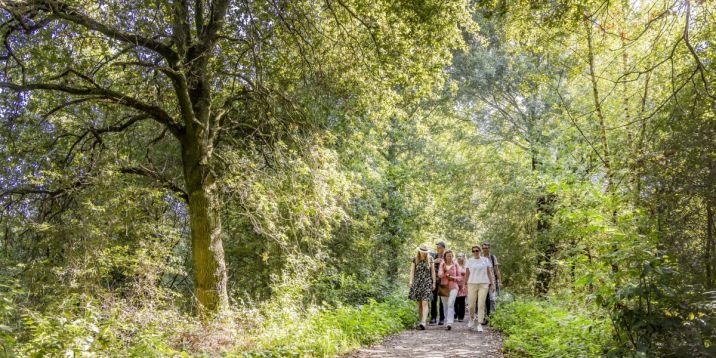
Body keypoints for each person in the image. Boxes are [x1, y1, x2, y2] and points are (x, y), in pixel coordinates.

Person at [465, 245, 495, 332]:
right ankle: (471, 318)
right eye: (473, 251)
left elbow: (489, 273)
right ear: (472, 252)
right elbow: (467, 273)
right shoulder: (469, 261)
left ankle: (479, 323)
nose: (475, 252)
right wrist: (465, 284)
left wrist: (492, 284)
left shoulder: (485, 260)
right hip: (472, 283)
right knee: (471, 305)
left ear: (480, 251)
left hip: (484, 283)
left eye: (477, 250)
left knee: (481, 304)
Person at [409, 244, 436, 330]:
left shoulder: (430, 259)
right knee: (419, 303)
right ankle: (420, 321)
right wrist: (410, 281)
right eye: (422, 252)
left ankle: (423, 322)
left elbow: (433, 272)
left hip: (427, 282)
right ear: (419, 251)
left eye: (425, 252)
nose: (423, 253)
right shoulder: (415, 259)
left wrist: (434, 282)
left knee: (425, 302)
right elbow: (412, 271)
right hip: (417, 283)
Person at [438, 250, 461, 330]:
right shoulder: (442, 264)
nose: (449, 257)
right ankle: (446, 320)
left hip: (453, 286)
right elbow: (440, 275)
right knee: (445, 305)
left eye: (451, 256)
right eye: (448, 256)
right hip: (444, 286)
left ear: (452, 256)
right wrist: (445, 274)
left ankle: (449, 323)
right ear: (445, 257)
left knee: (450, 304)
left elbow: (460, 277)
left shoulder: (455, 264)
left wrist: (452, 277)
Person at [481, 242, 502, 323]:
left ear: (489, 248)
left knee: (492, 299)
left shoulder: (493, 257)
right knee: (484, 300)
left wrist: (499, 281)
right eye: (483, 248)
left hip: (492, 281)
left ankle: (493, 317)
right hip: (482, 282)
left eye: (486, 248)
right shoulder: (480, 257)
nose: (485, 249)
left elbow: (497, 270)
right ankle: (485, 318)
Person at [429, 241, 446, 325]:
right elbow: (427, 264)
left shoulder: (447, 256)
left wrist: (443, 262)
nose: (438, 249)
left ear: (443, 248)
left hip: (443, 281)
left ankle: (442, 319)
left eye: (439, 247)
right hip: (434, 281)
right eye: (437, 247)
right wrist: (434, 261)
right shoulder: (433, 256)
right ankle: (433, 318)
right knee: (433, 299)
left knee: (442, 300)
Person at [454, 253, 467, 322]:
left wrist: (466, 284)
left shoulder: (466, 266)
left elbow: (468, 275)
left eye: (461, 256)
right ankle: (455, 315)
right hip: (455, 284)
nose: (459, 257)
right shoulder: (454, 265)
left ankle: (461, 316)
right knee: (455, 301)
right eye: (458, 256)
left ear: (463, 258)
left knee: (462, 301)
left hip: (463, 285)